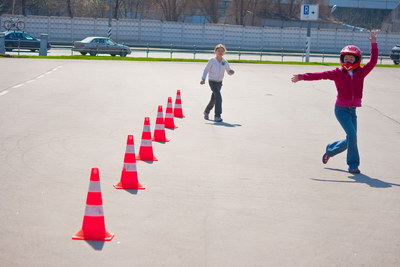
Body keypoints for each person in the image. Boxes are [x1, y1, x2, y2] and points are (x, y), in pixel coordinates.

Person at [291, 31, 378, 174]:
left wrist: (373, 44)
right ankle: (353, 165)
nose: (348, 61)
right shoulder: (337, 73)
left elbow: (373, 61)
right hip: (341, 110)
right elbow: (319, 75)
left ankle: (330, 150)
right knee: (352, 136)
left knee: (351, 138)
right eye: (346, 58)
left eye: (351, 59)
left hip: (352, 110)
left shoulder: (362, 72)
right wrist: (302, 77)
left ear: (357, 60)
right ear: (342, 59)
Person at [200, 44, 235, 122]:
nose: (220, 52)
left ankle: (206, 111)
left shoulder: (224, 62)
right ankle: (217, 116)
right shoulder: (212, 60)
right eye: (218, 51)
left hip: (219, 82)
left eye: (222, 51)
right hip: (212, 81)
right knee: (219, 97)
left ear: (224, 52)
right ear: (215, 51)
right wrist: (203, 79)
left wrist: (231, 72)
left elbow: (228, 71)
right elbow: (206, 70)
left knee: (214, 99)